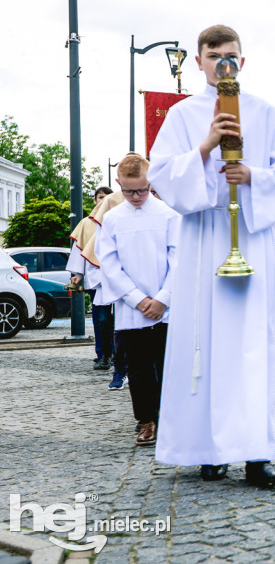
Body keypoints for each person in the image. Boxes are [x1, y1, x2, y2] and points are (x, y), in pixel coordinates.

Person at [149, 24, 275, 486]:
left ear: (243, 60)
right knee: (202, 343)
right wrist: (206, 146)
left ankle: (256, 453)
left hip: (251, 235)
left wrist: (252, 175)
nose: (222, 62)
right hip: (202, 234)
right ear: (199, 61)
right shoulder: (182, 116)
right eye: (213, 55)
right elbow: (161, 174)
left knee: (253, 346)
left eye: (230, 55)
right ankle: (208, 450)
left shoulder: (264, 112)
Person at [96, 153, 180, 447]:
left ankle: (170, 418)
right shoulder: (112, 219)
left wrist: (163, 298)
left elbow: (178, 259)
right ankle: (146, 421)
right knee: (139, 368)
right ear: (118, 183)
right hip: (132, 309)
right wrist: (136, 299)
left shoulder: (169, 214)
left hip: (165, 308)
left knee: (168, 364)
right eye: (129, 190)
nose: (135, 196)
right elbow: (108, 263)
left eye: (141, 190)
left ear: (150, 183)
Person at [68, 186, 129, 389]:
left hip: (118, 278)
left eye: (106, 197)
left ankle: (119, 360)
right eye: (100, 198)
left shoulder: (118, 217)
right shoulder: (87, 223)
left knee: (119, 321)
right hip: (99, 279)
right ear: (95, 201)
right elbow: (80, 250)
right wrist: (78, 273)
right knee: (101, 320)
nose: (103, 201)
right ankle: (103, 355)